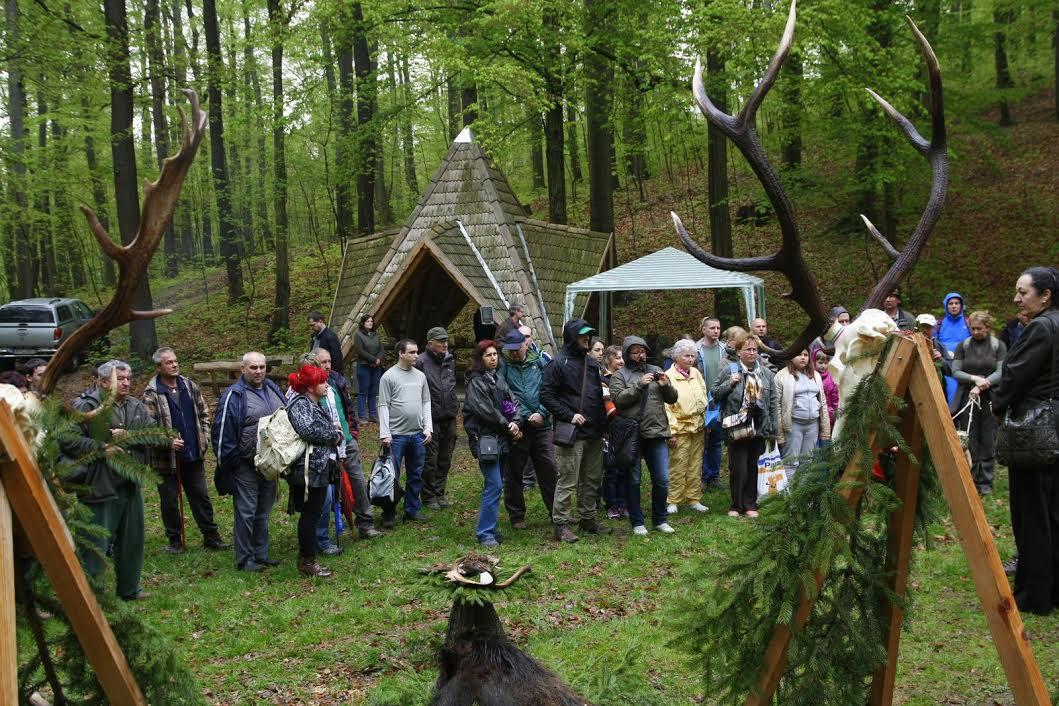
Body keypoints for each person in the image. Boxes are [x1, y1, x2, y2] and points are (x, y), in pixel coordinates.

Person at [993, 266, 1059, 615]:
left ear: (1045, 295)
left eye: (1023, 291)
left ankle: (1035, 596)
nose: (1017, 298)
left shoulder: (1041, 327)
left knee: (1031, 514)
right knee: (1054, 512)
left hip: (1036, 432)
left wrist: (997, 405)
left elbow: (1013, 375)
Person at [65, 361, 157, 600]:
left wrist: (131, 437)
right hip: (99, 485)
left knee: (132, 541)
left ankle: (130, 589)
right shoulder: (85, 406)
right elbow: (67, 440)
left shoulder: (135, 405)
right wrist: (101, 447)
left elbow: (155, 434)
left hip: (130, 484)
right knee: (95, 543)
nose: (126, 382)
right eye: (121, 379)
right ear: (103, 382)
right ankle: (89, 595)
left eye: (128, 378)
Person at [141, 347, 228, 554]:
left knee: (200, 496)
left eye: (175, 361)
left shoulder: (188, 385)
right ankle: (175, 541)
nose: (174, 365)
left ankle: (211, 536)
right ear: (158, 367)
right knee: (170, 501)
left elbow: (204, 413)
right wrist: (166, 441)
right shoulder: (151, 393)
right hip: (165, 460)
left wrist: (204, 439)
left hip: (193, 454)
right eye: (169, 362)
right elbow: (147, 427)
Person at [211, 352, 287, 572]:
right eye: (253, 367)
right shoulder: (233, 396)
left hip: (269, 462)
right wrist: (230, 465)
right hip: (244, 464)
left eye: (262, 367)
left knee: (264, 510)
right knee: (246, 511)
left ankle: (261, 554)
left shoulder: (272, 388)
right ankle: (245, 559)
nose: (259, 371)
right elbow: (222, 433)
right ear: (243, 369)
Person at [540, 319, 609, 543]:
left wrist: (603, 426)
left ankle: (587, 519)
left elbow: (597, 395)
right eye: (582, 335)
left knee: (591, 479)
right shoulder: (557, 364)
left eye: (589, 335)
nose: (587, 339)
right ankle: (561, 525)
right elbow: (545, 396)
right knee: (568, 480)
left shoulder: (591, 363)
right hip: (571, 433)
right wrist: (569, 415)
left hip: (594, 432)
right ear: (571, 337)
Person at [609, 335, 679, 535]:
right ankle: (637, 521)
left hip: (656, 432)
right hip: (632, 434)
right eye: (635, 352)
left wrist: (666, 385)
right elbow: (619, 400)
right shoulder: (619, 375)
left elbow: (673, 398)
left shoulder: (656, 370)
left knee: (662, 479)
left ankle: (660, 519)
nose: (640, 355)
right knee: (634, 480)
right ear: (627, 354)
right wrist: (639, 385)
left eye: (643, 351)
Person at [315, 348, 381, 541]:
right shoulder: (308, 386)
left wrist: (352, 431)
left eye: (329, 361)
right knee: (326, 490)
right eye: (322, 362)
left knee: (358, 481)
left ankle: (366, 523)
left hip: (347, 441)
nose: (327, 365)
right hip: (324, 445)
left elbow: (348, 408)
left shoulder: (337, 380)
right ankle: (322, 533)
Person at [711, 332, 779, 518]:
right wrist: (730, 384)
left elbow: (773, 401)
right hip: (736, 426)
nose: (751, 353)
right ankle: (736, 505)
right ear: (739, 351)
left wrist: (774, 428)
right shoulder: (730, 370)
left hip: (759, 426)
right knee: (738, 467)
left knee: (752, 466)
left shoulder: (765, 373)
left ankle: (750, 504)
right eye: (747, 349)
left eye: (754, 350)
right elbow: (715, 393)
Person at [285, 364, 344, 577]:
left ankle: (308, 560)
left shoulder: (312, 403)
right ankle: (307, 562)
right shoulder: (300, 404)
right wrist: (333, 435)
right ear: (310, 386)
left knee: (314, 513)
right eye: (322, 381)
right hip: (307, 471)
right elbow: (308, 430)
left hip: (317, 468)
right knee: (310, 516)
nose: (326, 384)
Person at [464, 340, 522, 548]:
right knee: (494, 484)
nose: (493, 358)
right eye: (488, 355)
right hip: (486, 439)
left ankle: (492, 527)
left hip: (502, 439)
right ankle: (485, 533)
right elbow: (485, 411)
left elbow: (512, 403)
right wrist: (508, 426)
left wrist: (516, 421)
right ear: (480, 359)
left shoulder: (498, 379)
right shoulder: (475, 382)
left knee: (496, 486)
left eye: (495, 354)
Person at [499, 328, 558, 530]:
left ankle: (555, 512)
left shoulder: (540, 361)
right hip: (518, 427)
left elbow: (551, 390)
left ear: (526, 344)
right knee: (514, 470)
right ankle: (516, 516)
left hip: (543, 425)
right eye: (511, 349)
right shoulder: (503, 366)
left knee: (548, 467)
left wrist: (542, 413)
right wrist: (523, 416)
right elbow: (503, 395)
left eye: (518, 348)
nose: (515, 353)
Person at [378, 339, 433, 526]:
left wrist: (428, 428)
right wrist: (385, 433)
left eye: (417, 352)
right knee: (390, 475)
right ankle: (389, 512)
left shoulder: (420, 377)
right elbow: (383, 405)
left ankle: (412, 509)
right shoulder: (388, 377)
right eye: (412, 352)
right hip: (396, 436)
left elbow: (426, 402)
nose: (416, 355)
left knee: (416, 474)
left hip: (417, 434)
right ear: (401, 354)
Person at [951, 311, 1006, 496]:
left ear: (988, 328)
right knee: (970, 438)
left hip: (991, 397)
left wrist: (983, 384)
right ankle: (971, 478)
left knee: (988, 439)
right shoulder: (963, 346)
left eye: (979, 329)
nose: (975, 332)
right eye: (972, 328)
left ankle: (986, 481)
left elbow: (1001, 371)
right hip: (968, 397)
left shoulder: (998, 346)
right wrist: (974, 379)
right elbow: (955, 371)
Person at [665, 339, 710, 517]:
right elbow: (666, 407)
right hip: (680, 427)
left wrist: (705, 420)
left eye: (693, 356)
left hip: (697, 426)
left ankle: (693, 499)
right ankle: (672, 500)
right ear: (676, 357)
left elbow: (704, 395)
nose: (690, 359)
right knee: (677, 465)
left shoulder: (696, 373)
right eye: (686, 355)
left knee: (695, 464)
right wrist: (672, 431)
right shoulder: (668, 376)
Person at [415, 327, 458, 510]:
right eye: (440, 341)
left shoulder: (449, 360)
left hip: (450, 416)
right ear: (430, 342)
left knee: (445, 458)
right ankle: (428, 496)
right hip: (430, 419)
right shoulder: (421, 362)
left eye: (446, 340)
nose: (445, 344)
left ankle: (440, 493)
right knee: (430, 461)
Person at [774, 348, 831, 476]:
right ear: (791, 357)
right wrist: (780, 433)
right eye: (799, 354)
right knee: (791, 462)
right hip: (793, 425)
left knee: (807, 461)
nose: (803, 357)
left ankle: (801, 494)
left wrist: (825, 429)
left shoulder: (815, 375)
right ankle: (788, 495)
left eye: (805, 355)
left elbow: (822, 402)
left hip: (813, 425)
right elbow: (776, 406)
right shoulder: (782, 376)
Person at [696, 317, 725, 491]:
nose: (716, 331)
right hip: (701, 399)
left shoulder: (724, 350)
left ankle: (714, 476)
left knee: (716, 440)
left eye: (718, 328)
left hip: (719, 400)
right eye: (712, 328)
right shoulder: (695, 350)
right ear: (704, 330)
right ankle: (702, 476)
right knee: (701, 440)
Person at [599, 345, 626, 519]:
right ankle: (612, 503)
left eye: (623, 357)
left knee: (624, 467)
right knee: (611, 469)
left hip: (625, 428)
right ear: (608, 360)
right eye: (617, 358)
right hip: (609, 429)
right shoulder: (603, 380)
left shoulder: (626, 377)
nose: (622, 361)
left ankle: (623, 502)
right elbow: (609, 406)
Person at [936, 292, 971, 405]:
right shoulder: (939, 324)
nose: (954, 306)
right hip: (945, 365)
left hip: (965, 364)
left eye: (957, 303)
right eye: (951, 303)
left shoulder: (968, 323)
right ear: (946, 306)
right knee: (949, 394)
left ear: (961, 305)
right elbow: (934, 343)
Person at [354, 313, 384, 423]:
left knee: (374, 391)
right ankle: (362, 416)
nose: (370, 323)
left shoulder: (375, 334)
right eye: (368, 321)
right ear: (363, 323)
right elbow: (360, 351)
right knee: (363, 391)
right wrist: (373, 359)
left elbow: (381, 349)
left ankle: (373, 415)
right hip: (364, 366)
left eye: (371, 321)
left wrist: (378, 359)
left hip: (376, 367)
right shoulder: (358, 335)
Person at [814, 350, 840, 434]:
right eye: (820, 363)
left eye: (826, 363)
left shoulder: (831, 378)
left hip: (828, 413)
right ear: (814, 362)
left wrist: (835, 412)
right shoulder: (811, 376)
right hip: (814, 413)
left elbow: (835, 397)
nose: (823, 366)